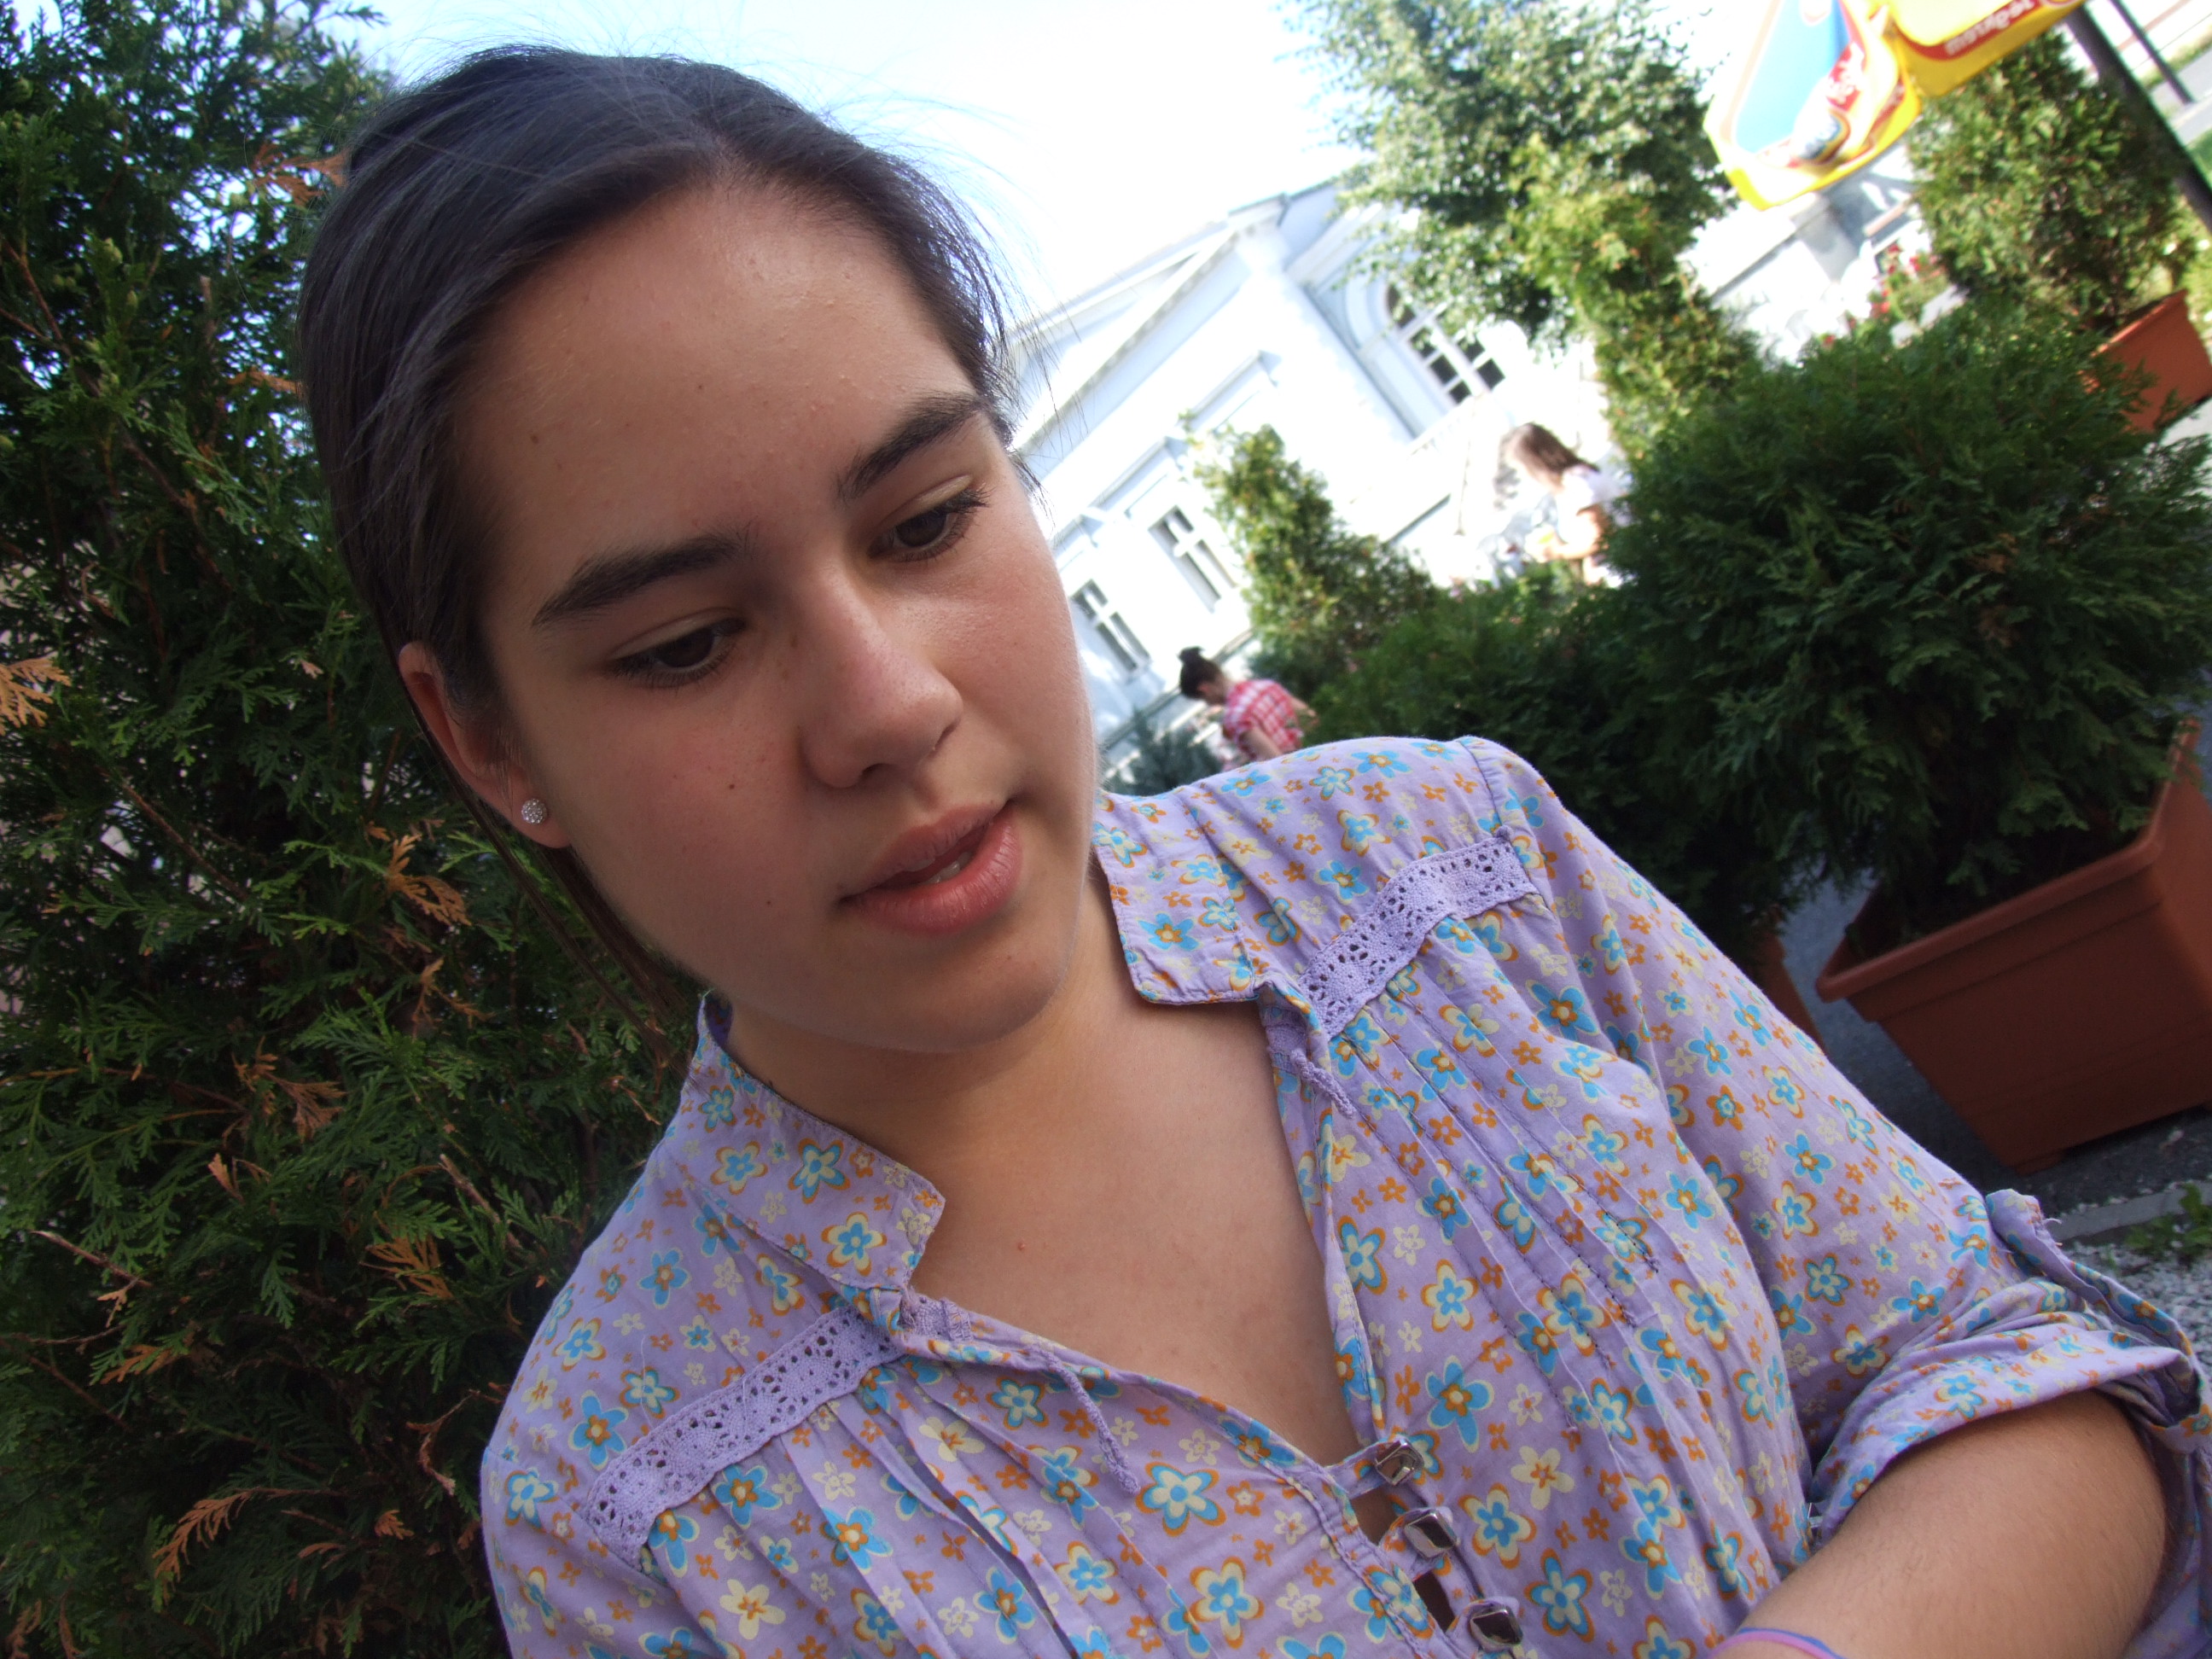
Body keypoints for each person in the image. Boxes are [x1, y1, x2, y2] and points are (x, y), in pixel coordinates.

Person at [298, 49, 2202, 1659]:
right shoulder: (636, 1504)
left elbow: (2010, 1368)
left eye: (927, 519)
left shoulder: (1446, 865)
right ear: (491, 741)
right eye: (684, 644)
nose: (885, 702)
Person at [1503, 422, 1631, 581]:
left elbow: (1600, 540)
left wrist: (1557, 552)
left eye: (1520, 468)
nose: (1523, 475)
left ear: (1533, 463)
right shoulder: (1579, 474)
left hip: (1626, 571)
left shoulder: (1575, 484)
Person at [1178, 647, 1314, 764]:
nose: (1208, 704)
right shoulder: (1266, 686)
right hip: (1316, 760)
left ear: (1204, 689)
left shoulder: (1236, 717)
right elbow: (1311, 718)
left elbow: (1277, 762)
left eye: (1203, 699)